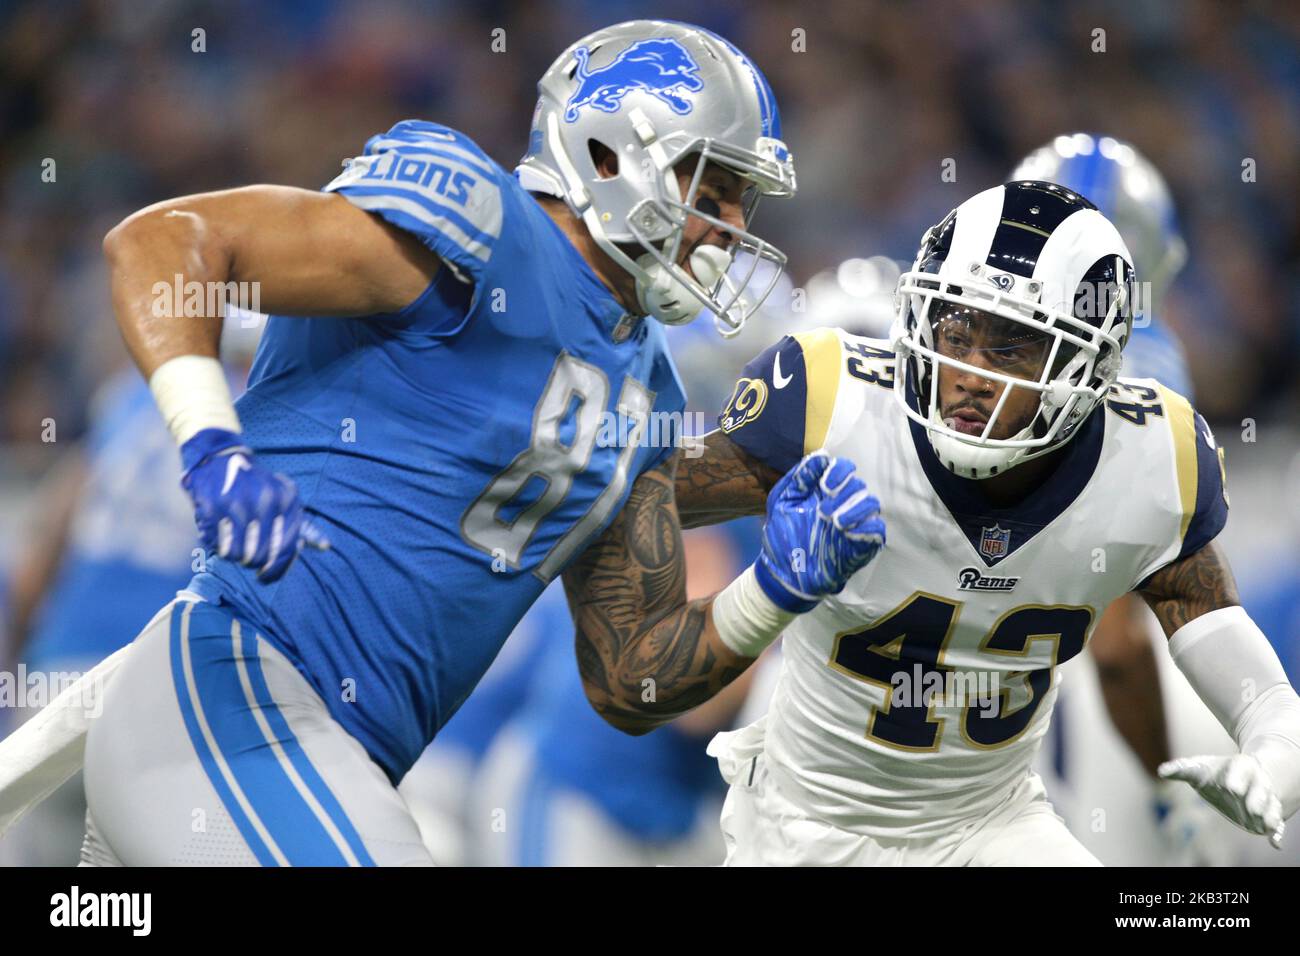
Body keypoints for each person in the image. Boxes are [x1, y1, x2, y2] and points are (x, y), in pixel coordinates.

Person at [54, 20, 885, 866]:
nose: (730, 227)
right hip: (236, 691)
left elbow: (631, 678)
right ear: (608, 156)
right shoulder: (479, 221)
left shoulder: (647, 385)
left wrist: (772, 591)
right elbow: (162, 243)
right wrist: (210, 445)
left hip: (327, 755)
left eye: (743, 200)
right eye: (711, 190)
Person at [669, 180, 1300, 865]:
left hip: (990, 826)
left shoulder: (1151, 457)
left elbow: (1264, 695)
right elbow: (637, 491)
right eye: (956, 329)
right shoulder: (835, 405)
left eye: (1011, 347)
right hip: (805, 825)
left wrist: (1273, 770)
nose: (968, 371)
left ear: (1087, 369)